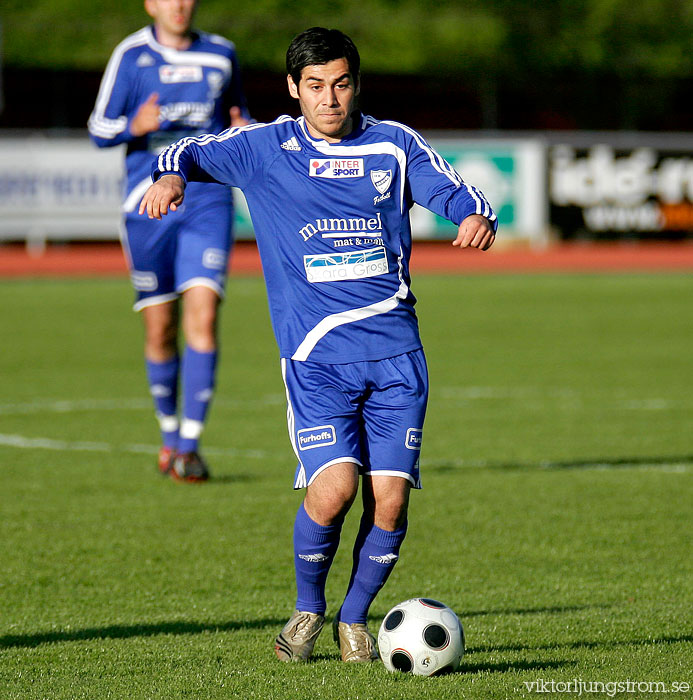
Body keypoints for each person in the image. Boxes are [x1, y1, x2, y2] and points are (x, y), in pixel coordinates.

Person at [139, 26, 496, 661]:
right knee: (333, 491)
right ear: (292, 89)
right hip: (317, 359)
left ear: (356, 85)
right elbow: (185, 150)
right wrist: (172, 179)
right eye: (314, 87)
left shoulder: (392, 144)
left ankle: (354, 619)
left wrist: (472, 214)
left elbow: (451, 187)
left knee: (388, 498)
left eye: (340, 84)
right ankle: (308, 611)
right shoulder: (264, 148)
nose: (329, 99)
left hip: (395, 356)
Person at [88, 0, 251, 482]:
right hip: (146, 205)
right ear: (150, 4)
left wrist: (244, 131)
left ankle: (190, 446)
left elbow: (237, 117)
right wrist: (132, 126)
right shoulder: (131, 55)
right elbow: (99, 128)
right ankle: (168, 434)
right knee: (160, 327)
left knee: (204, 314)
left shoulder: (221, 54)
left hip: (206, 199)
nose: (179, 5)